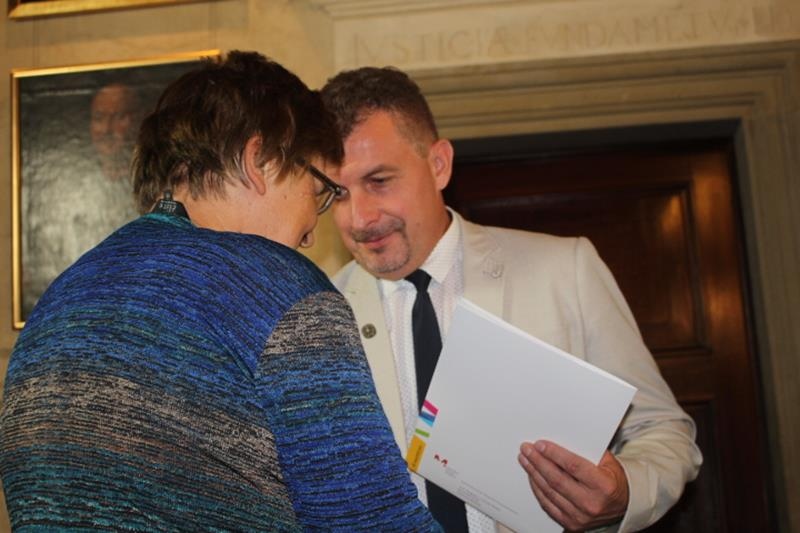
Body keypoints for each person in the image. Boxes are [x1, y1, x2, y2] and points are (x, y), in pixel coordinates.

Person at [0, 51, 439, 531]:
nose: (312, 234)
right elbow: (369, 520)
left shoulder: (55, 307)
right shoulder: (279, 289)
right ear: (258, 161)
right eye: (319, 192)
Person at [320, 66, 702, 532]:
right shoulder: (316, 315)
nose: (359, 218)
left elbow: (663, 432)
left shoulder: (566, 270)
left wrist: (623, 493)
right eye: (338, 193)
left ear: (439, 164)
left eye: (379, 181)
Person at [21, 80, 141, 316]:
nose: (106, 129)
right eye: (99, 118)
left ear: (138, 122)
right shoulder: (66, 198)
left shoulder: (156, 195)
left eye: (118, 117)